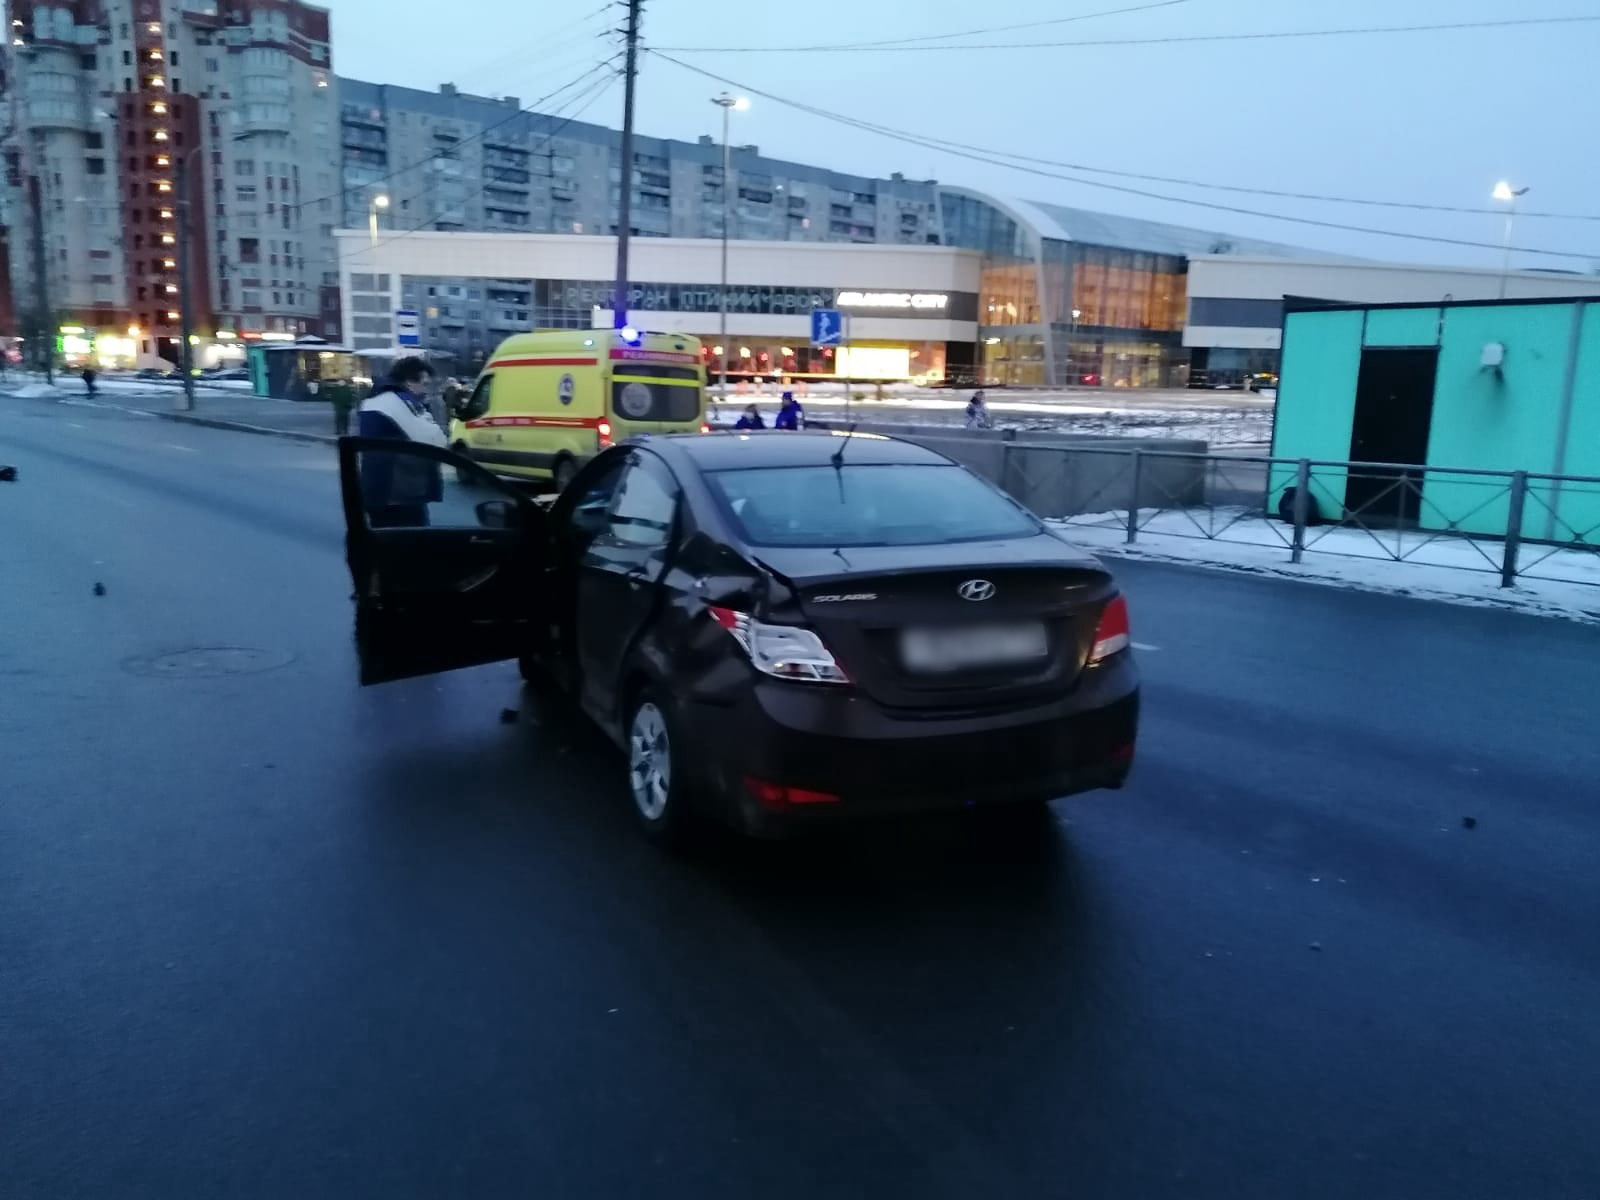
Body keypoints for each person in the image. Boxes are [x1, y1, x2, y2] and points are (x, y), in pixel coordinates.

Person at [358, 357, 447, 528]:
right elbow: (437, 441)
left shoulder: (374, 400)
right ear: (409, 382)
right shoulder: (399, 402)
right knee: (411, 548)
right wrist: (425, 411)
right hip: (400, 495)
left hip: (379, 491)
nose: (426, 390)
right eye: (425, 383)